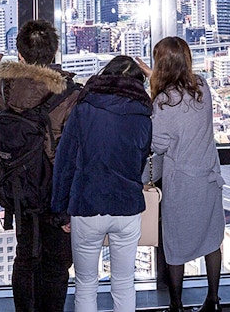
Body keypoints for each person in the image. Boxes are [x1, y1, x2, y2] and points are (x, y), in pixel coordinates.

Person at [0, 19, 80, 312]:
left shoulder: (7, 89)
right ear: (54, 53)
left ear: (20, 56)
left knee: (26, 258)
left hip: (20, 190)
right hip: (56, 191)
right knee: (57, 264)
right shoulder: (71, 93)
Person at [51, 55, 152, 312]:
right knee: (124, 283)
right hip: (127, 206)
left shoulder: (84, 109)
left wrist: (61, 210)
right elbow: (140, 161)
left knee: (85, 284)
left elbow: (65, 161)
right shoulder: (143, 116)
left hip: (87, 204)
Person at [144, 37, 225, 312]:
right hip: (209, 178)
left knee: (176, 245)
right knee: (211, 240)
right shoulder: (202, 86)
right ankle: (213, 299)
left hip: (183, 185)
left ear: (162, 65)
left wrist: (152, 91)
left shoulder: (164, 103)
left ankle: (176, 305)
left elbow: (158, 145)